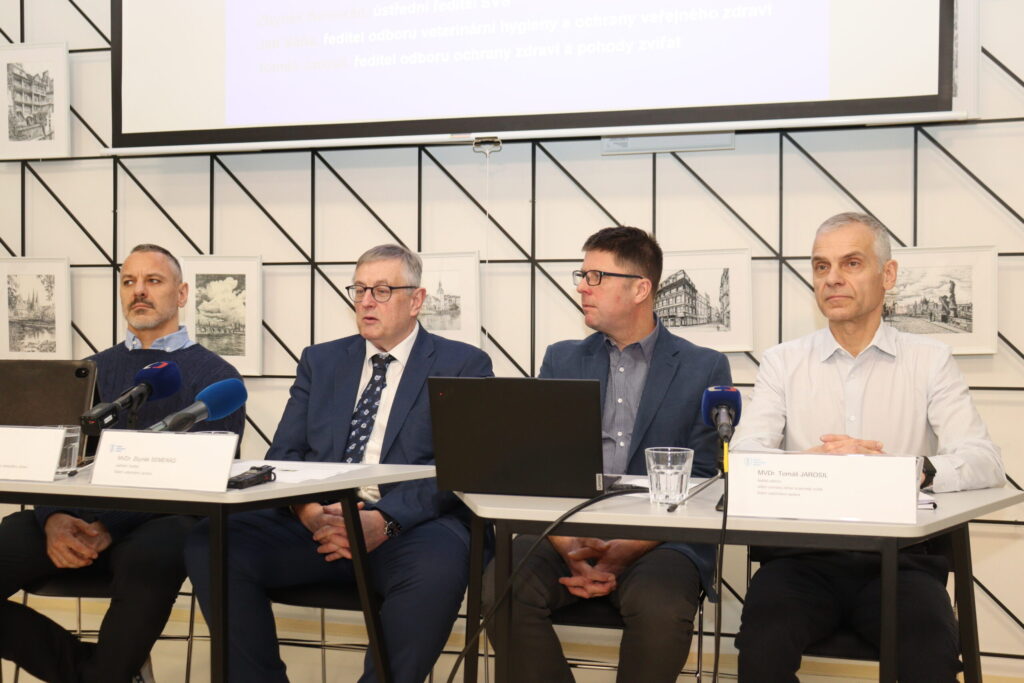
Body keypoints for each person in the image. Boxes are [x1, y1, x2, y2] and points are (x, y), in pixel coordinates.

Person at [184, 243, 493, 683]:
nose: (366, 301)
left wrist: (384, 521)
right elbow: (285, 455)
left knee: (438, 567)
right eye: (359, 289)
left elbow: (458, 468)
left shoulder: (462, 364)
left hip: (410, 527)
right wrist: (310, 514)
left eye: (382, 290)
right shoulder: (322, 361)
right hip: (320, 521)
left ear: (416, 300)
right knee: (211, 542)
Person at [731, 212, 1004, 683]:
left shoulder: (931, 361)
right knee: (761, 649)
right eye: (821, 266)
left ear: (888, 275)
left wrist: (908, 470)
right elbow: (743, 457)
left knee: (932, 654)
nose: (832, 278)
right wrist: (815, 463)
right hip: (800, 560)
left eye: (851, 263)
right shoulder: (782, 362)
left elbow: (985, 461)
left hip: (901, 563)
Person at [486, 226, 733, 682]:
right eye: (582, 275)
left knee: (660, 607)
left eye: (596, 276)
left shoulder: (704, 366)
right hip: (566, 531)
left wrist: (628, 548)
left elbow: (704, 476)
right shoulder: (561, 359)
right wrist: (567, 545)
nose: (582, 286)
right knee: (499, 588)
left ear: (641, 289)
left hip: (662, 540)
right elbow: (540, 464)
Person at [0, 243, 245, 683]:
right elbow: (54, 458)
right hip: (75, 518)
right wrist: (53, 517)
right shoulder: (89, 370)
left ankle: (107, 673)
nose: (139, 291)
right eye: (129, 281)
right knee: (13, 533)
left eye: (153, 280)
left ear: (182, 294)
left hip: (161, 522)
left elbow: (197, 478)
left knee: (162, 548)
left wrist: (108, 525)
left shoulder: (216, 378)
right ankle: (94, 672)